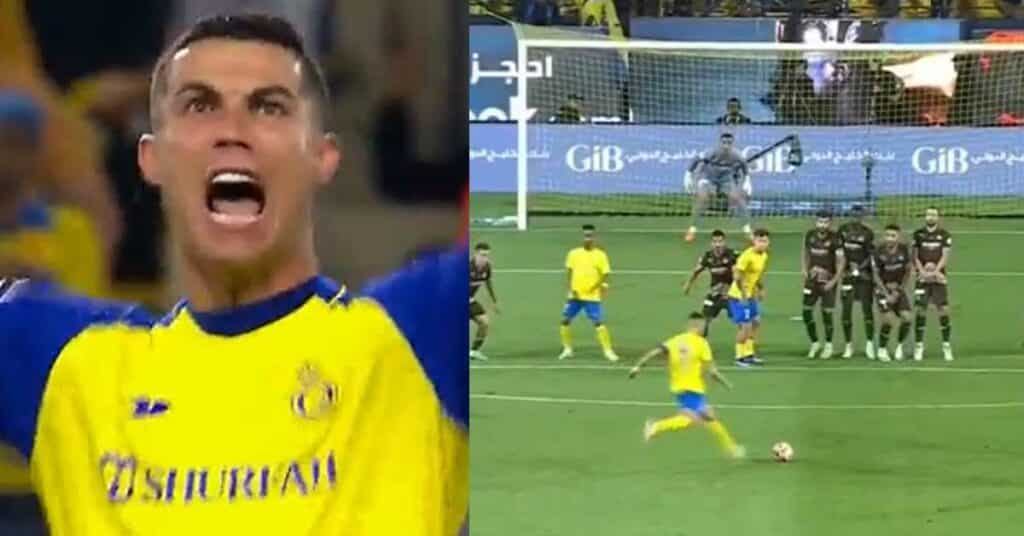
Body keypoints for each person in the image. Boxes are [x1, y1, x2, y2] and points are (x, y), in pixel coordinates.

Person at [0, 14, 466, 535]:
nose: (232, 132)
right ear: (152, 159)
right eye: (200, 106)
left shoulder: (419, 334)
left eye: (269, 107)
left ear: (322, 156)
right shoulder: (69, 363)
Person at [0, 91, 108, 297]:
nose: (4, 157)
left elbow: (84, 304)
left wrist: (37, 290)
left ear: (36, 153)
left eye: (14, 145)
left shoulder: (70, 229)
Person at [628, 311, 745, 459]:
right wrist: (726, 383)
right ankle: (732, 448)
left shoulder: (675, 340)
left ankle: (731, 447)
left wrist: (637, 366)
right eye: (703, 326)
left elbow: (655, 352)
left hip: (679, 388)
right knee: (708, 417)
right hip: (693, 389)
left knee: (693, 419)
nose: (704, 329)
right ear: (698, 326)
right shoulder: (701, 343)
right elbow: (712, 371)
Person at [559, 224, 618, 361]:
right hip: (575, 295)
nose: (587, 239)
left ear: (594, 238)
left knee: (598, 322)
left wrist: (600, 286)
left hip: (592, 296)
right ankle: (567, 349)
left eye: (590, 236)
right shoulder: (573, 254)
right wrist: (570, 288)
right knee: (565, 321)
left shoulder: (600, 255)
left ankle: (608, 351)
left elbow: (605, 274)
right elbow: (569, 271)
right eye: (585, 236)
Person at [683, 132, 752, 243]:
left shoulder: (736, 155)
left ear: (732, 144)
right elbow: (696, 159)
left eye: (729, 143)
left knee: (737, 198)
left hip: (726, 179)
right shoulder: (711, 152)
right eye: (724, 142)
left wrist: (748, 181)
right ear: (720, 142)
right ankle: (692, 229)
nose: (726, 145)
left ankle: (747, 230)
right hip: (708, 177)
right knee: (703, 198)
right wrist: (688, 174)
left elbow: (744, 166)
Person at [911, 207, 953, 361]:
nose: (931, 217)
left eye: (934, 215)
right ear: (925, 217)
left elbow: (945, 256)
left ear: (938, 217)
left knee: (943, 310)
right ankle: (919, 346)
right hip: (922, 278)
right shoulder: (918, 234)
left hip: (938, 277)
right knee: (920, 310)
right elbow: (915, 257)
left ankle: (946, 345)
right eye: (928, 214)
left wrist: (935, 272)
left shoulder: (945, 235)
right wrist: (922, 272)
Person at [802, 211, 845, 359]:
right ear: (816, 222)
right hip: (812, 280)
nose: (822, 225)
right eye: (820, 222)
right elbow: (806, 253)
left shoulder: (836, 238)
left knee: (827, 313)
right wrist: (804, 270)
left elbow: (841, 262)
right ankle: (814, 343)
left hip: (828, 282)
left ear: (830, 223)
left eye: (826, 222)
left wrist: (833, 282)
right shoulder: (810, 235)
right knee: (806, 312)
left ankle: (828, 345)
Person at [682, 229, 738, 337]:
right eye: (715, 242)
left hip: (731, 295)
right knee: (704, 320)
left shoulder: (732, 255)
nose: (717, 245)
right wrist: (688, 285)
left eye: (720, 241)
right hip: (714, 295)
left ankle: (747, 343)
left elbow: (741, 273)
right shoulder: (707, 257)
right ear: (711, 243)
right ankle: (701, 342)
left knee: (742, 321)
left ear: (724, 242)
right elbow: (696, 271)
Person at [727, 228, 770, 367]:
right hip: (738, 296)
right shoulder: (746, 256)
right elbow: (737, 277)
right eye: (759, 241)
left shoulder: (764, 256)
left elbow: (757, 275)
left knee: (756, 322)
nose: (762, 244)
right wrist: (744, 295)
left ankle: (749, 354)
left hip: (750, 295)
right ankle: (739, 357)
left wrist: (761, 288)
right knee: (745, 326)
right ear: (754, 241)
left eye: (765, 241)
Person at [837, 205, 875, 359]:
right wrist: (846, 267)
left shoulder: (868, 233)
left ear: (862, 216)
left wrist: (859, 268)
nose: (856, 217)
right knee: (846, 310)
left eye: (859, 215)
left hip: (864, 276)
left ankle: (870, 344)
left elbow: (871, 255)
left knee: (867, 310)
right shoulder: (843, 231)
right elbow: (839, 252)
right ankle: (848, 345)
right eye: (854, 214)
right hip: (847, 275)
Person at [871, 224, 913, 362]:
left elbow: (907, 273)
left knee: (907, 318)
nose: (890, 238)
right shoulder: (878, 252)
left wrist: (898, 291)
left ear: (898, 237)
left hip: (898, 290)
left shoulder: (904, 250)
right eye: (887, 235)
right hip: (882, 290)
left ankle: (899, 346)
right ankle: (882, 349)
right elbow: (876, 276)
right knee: (888, 319)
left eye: (893, 236)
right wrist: (886, 293)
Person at [470, 242, 498, 361]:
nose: (485, 258)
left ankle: (474, 351)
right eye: (482, 255)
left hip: (470, 301)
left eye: (487, 255)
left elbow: (488, 282)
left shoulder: (487, 267)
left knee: (484, 323)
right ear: (475, 254)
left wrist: (494, 301)